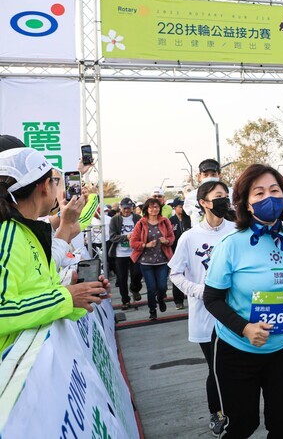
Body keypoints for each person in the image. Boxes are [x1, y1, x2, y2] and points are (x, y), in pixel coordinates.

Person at [203, 164, 283, 438]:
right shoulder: (231, 244)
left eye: (274, 191)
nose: (268, 198)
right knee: (243, 425)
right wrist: (245, 328)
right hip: (237, 350)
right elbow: (212, 299)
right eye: (259, 193)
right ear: (246, 203)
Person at [0, 147, 110, 353]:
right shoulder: (7, 234)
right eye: (55, 181)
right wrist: (67, 297)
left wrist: (79, 293)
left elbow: (37, 293)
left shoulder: (26, 230)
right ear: (44, 186)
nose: (59, 188)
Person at [169, 180, 237, 435]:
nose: (224, 201)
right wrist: (199, 291)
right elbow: (175, 274)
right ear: (204, 203)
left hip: (237, 312)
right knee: (216, 368)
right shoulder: (190, 237)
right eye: (218, 196)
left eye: (226, 196)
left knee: (237, 365)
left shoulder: (237, 230)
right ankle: (217, 412)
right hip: (206, 314)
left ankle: (237, 408)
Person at [130, 197, 175, 321]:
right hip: (146, 261)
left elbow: (171, 237)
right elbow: (133, 242)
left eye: (156, 207)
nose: (154, 209)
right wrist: (145, 245)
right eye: (151, 207)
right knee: (151, 288)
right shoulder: (141, 223)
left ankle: (160, 299)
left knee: (162, 286)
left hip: (162, 260)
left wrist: (166, 241)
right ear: (146, 209)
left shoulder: (165, 221)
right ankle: (152, 310)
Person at [109, 197, 143, 309]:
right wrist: (126, 237)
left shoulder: (138, 218)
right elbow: (112, 237)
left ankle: (134, 289)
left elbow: (144, 232)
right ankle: (125, 300)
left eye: (129, 208)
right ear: (120, 208)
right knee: (122, 278)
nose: (127, 210)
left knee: (137, 273)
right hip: (120, 253)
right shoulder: (115, 220)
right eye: (124, 208)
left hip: (135, 251)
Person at [185, 158, 223, 226]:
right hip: (198, 235)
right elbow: (188, 212)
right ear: (199, 177)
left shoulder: (229, 193)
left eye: (213, 174)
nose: (209, 178)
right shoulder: (191, 196)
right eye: (205, 175)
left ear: (219, 175)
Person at [169, 198, 191, 310]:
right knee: (177, 274)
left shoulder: (189, 219)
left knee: (190, 274)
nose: (182, 209)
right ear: (175, 207)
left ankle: (190, 296)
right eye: (180, 207)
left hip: (189, 250)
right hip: (175, 251)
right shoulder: (171, 221)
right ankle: (178, 300)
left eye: (183, 206)